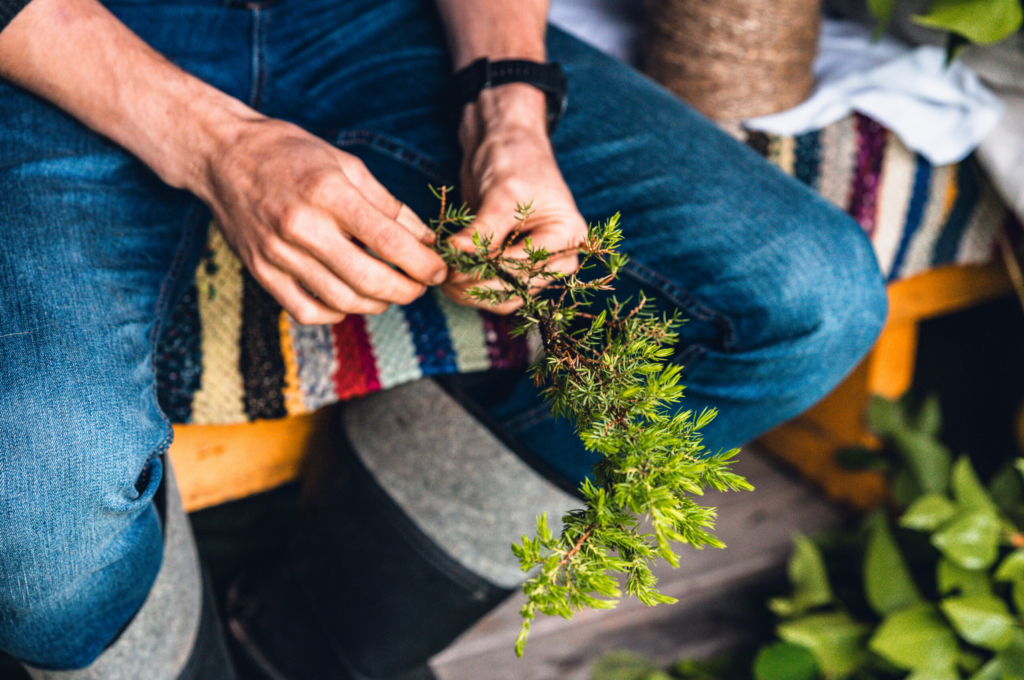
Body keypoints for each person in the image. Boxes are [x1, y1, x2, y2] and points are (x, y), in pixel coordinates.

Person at [0, 0, 888, 677]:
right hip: (64, 44)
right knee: (32, 499)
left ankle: (307, 638)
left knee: (811, 298)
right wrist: (215, 145)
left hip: (369, 21)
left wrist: (508, 116)